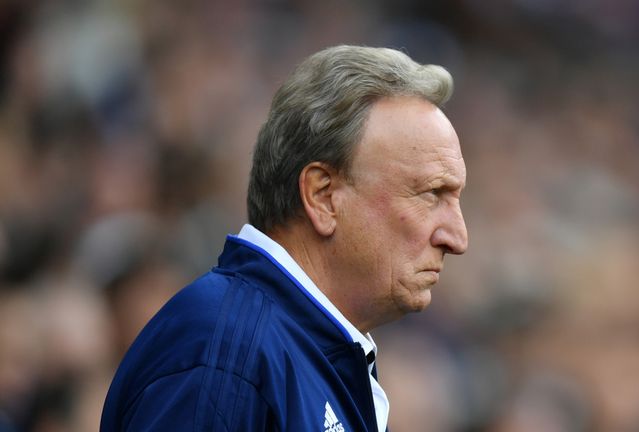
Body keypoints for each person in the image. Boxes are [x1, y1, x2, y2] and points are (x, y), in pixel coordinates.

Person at [100, 45, 468, 432]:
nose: (457, 237)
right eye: (431, 194)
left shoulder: (298, 352)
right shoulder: (226, 356)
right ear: (323, 196)